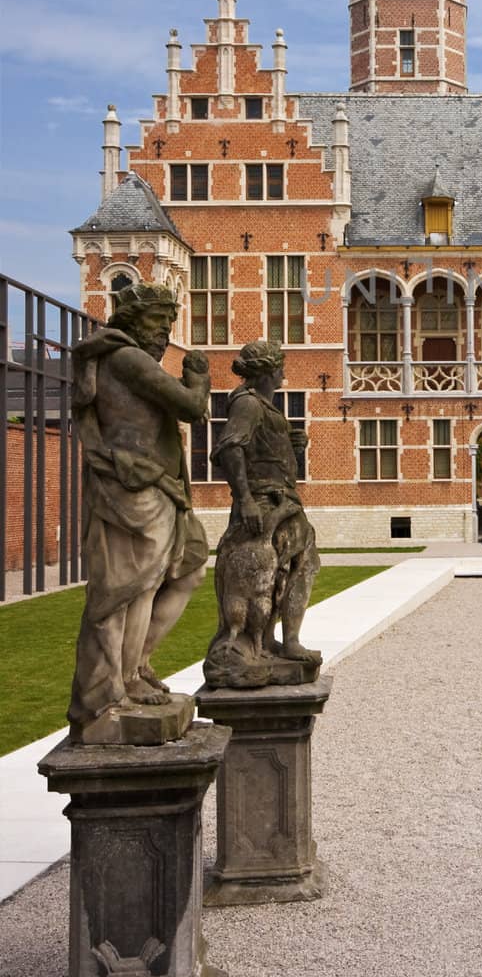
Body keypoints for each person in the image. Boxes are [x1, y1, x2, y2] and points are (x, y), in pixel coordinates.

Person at [68, 283, 210, 740]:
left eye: (169, 326)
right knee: (131, 588)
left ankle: (137, 665)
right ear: (132, 322)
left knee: (183, 570)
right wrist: (198, 375)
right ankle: (115, 687)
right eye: (157, 324)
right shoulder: (127, 359)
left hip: (153, 483)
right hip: (133, 486)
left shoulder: (125, 357)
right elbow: (190, 407)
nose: (164, 335)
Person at [206, 339, 320, 685]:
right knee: (269, 575)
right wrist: (245, 500)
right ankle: (266, 643)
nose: (285, 372)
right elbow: (230, 448)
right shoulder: (248, 405)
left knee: (292, 570)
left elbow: (259, 450)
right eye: (281, 367)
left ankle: (277, 642)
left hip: (282, 502)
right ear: (269, 371)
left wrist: (291, 444)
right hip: (266, 504)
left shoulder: (263, 407)